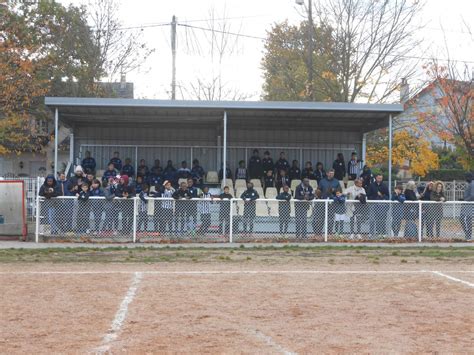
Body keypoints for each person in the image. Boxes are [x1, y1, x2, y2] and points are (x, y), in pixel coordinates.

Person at [460, 173, 473, 241]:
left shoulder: (472, 183)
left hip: (468, 206)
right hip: (466, 205)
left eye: (466, 177)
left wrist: (465, 200)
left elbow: (472, 196)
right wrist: (462, 199)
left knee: (464, 219)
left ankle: (468, 236)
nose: (465, 179)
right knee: (464, 219)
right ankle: (468, 235)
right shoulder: (470, 184)